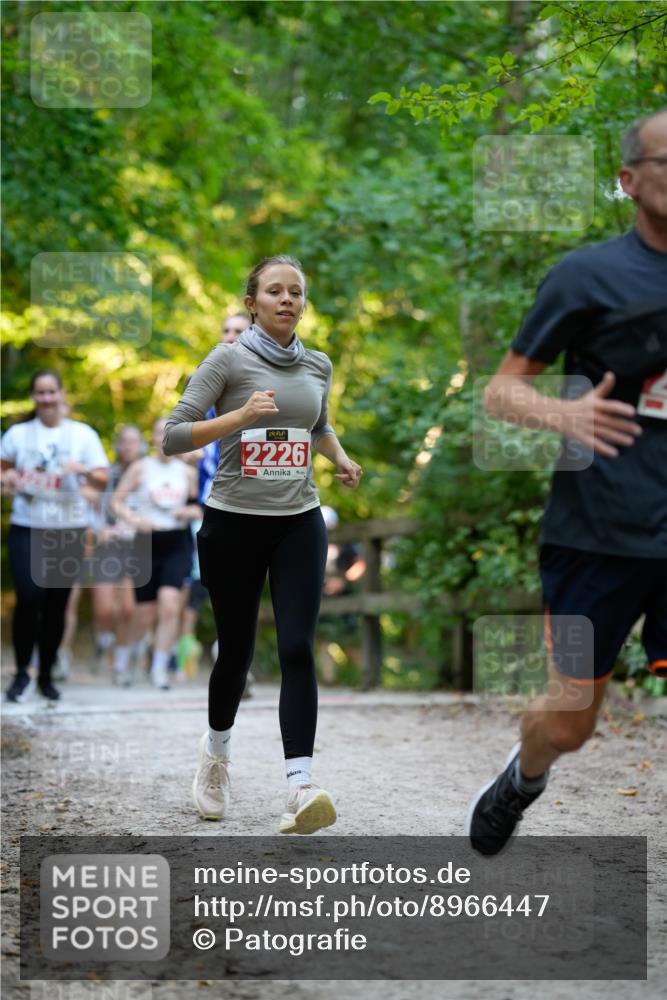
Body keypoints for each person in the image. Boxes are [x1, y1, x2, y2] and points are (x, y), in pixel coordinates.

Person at [466, 110, 667, 855]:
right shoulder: (587, 275)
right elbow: (500, 391)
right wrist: (563, 416)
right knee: (568, 722)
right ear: (628, 179)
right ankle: (524, 774)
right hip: (598, 531)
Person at [163, 255, 362, 834]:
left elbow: (316, 426)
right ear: (252, 302)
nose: (286, 300)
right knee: (237, 651)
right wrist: (241, 416)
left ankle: (301, 785)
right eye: (274, 291)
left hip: (298, 520)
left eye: (295, 292)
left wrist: (341, 458)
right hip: (233, 523)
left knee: (297, 645)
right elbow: (174, 434)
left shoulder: (318, 364)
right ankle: (216, 756)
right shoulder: (227, 359)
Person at [1, 370, 109, 701]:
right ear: (34, 397)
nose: (47, 398)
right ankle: (21, 673)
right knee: (29, 596)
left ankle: (46, 676)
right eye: (40, 393)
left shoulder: (83, 435)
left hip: (69, 528)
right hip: (28, 525)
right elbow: (3, 469)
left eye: (52, 392)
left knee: (56, 603)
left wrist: (86, 472)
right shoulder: (18, 434)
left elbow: (102, 479)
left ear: (62, 394)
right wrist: (8, 481)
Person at [110, 417, 201, 690]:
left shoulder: (187, 472)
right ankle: (123, 660)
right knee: (144, 613)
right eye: (160, 433)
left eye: (170, 433)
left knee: (170, 604)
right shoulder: (140, 468)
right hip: (146, 543)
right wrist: (134, 520)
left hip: (177, 543)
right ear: (152, 439)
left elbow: (198, 507)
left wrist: (190, 511)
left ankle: (159, 668)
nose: (165, 438)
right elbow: (115, 501)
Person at [54, 423, 146, 682]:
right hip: (108, 545)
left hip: (137, 546)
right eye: (124, 441)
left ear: (141, 445)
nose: (128, 446)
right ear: (118, 445)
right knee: (104, 610)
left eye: (133, 441)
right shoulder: (108, 474)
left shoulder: (149, 473)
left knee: (128, 609)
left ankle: (120, 664)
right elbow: (91, 505)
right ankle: (104, 640)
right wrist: (99, 529)